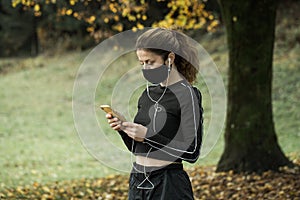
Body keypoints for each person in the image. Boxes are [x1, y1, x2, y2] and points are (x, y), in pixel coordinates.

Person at [106, 27, 203, 200]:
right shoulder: (147, 95)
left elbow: (192, 152)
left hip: (168, 184)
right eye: (141, 63)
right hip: (138, 180)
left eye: (150, 62)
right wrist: (123, 128)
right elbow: (138, 148)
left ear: (169, 58)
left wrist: (148, 135)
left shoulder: (188, 94)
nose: (145, 68)